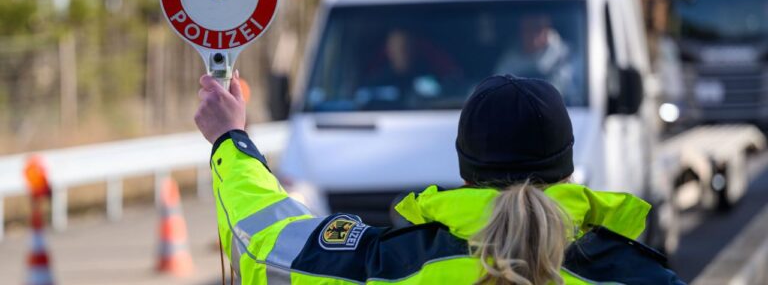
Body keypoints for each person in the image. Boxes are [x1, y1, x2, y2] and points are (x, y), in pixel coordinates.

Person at [195, 72, 684, 284]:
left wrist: (230, 140)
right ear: (567, 168)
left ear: (464, 167)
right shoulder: (641, 276)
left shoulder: (390, 263)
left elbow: (264, 241)